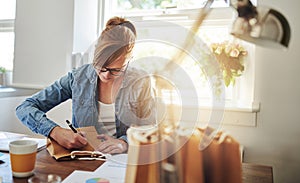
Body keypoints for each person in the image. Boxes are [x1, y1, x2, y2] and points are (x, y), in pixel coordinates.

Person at [15, 16, 155, 154]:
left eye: (116, 70)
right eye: (101, 66)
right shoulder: (77, 78)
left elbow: (152, 127)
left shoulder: (141, 81)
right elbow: (25, 108)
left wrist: (124, 143)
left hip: (124, 162)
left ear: (129, 60)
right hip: (84, 161)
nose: (106, 75)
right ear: (95, 53)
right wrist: (55, 131)